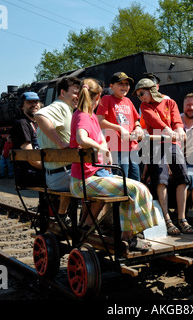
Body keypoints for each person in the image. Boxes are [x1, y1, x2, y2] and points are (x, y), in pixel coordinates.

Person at [69, 78, 157, 251]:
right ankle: (128, 237)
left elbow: (99, 137)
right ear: (98, 97)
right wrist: (102, 148)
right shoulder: (82, 115)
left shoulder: (91, 116)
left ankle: (126, 234)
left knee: (136, 187)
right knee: (134, 189)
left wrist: (103, 146)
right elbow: (81, 138)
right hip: (84, 181)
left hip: (93, 177)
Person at [133, 78, 193, 235]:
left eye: (142, 93)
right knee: (161, 178)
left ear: (151, 90)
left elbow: (177, 120)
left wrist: (179, 130)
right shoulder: (144, 106)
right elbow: (154, 120)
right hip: (155, 144)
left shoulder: (170, 102)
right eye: (138, 95)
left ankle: (182, 218)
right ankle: (167, 219)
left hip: (172, 143)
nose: (140, 97)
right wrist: (168, 130)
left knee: (182, 176)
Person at [35, 76, 81, 219]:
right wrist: (61, 143)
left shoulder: (65, 109)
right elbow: (40, 116)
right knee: (109, 181)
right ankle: (90, 224)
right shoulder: (60, 107)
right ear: (62, 92)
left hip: (56, 174)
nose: (78, 97)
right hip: (63, 176)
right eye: (74, 93)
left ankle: (63, 216)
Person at [96, 72, 144, 181]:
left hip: (132, 148)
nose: (124, 87)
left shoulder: (128, 101)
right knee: (121, 181)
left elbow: (136, 120)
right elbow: (100, 121)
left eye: (127, 84)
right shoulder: (106, 99)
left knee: (136, 181)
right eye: (120, 83)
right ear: (111, 86)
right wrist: (119, 128)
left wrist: (138, 128)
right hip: (116, 148)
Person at [11, 92, 44, 187]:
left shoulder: (39, 123)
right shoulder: (22, 124)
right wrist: (48, 168)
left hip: (40, 171)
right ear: (22, 106)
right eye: (30, 102)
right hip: (31, 173)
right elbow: (30, 156)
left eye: (36, 102)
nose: (34, 105)